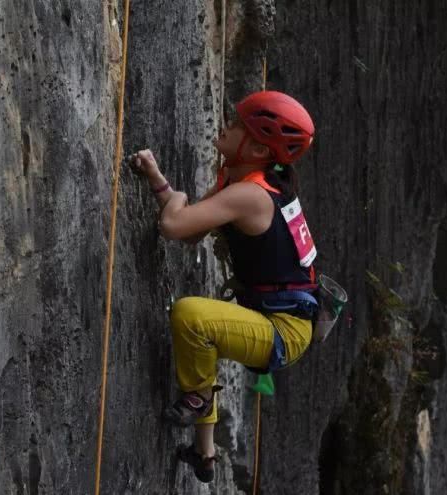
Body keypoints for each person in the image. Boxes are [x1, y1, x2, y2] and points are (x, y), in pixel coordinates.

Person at [129, 91, 318, 483]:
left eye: (237, 125)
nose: (225, 126)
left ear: (258, 147)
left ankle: (198, 403)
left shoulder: (250, 195)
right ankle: (205, 453)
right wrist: (158, 180)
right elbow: (191, 231)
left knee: (191, 315)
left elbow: (173, 224)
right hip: (276, 316)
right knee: (200, 337)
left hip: (285, 330)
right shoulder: (247, 181)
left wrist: (175, 198)